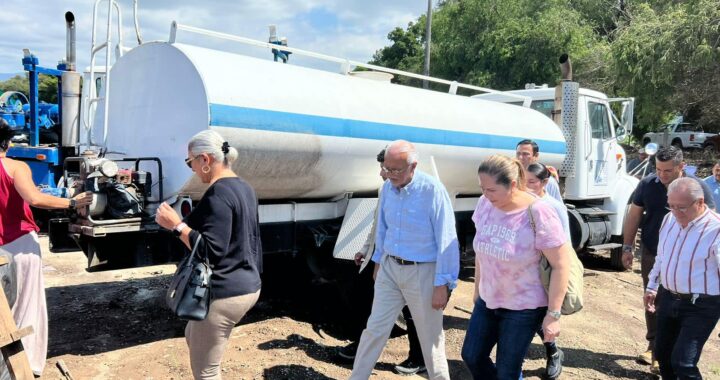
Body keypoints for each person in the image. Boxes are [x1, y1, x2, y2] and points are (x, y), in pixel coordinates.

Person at [155, 130, 262, 380]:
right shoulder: (243, 187)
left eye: (190, 161)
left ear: (205, 159)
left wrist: (177, 225)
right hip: (246, 284)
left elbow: (211, 251)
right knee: (193, 334)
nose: (190, 167)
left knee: (206, 371)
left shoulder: (219, 194)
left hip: (225, 293)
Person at [349, 140, 459, 380]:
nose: (387, 174)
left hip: (422, 272)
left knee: (430, 337)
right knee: (374, 330)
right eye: (386, 169)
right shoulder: (388, 187)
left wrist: (444, 284)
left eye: (395, 170)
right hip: (389, 268)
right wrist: (378, 261)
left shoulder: (433, 190)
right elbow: (383, 228)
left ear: (413, 166)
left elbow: (447, 240)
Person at [461, 155, 571, 380]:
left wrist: (553, 314)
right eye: (482, 188)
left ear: (512, 185)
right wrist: (477, 289)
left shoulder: (538, 212)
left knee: (508, 372)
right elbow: (482, 250)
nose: (485, 195)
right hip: (488, 299)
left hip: (524, 308)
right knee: (472, 356)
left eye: (491, 190)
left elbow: (561, 265)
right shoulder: (486, 204)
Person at [0, 119, 92, 376]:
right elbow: (35, 198)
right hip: (19, 246)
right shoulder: (16, 167)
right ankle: (22, 369)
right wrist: (72, 203)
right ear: (7, 143)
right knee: (24, 311)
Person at [621, 146, 715, 372]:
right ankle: (654, 346)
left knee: (682, 357)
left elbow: (707, 226)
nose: (662, 175)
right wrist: (627, 246)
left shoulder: (697, 190)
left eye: (668, 171)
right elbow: (635, 214)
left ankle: (678, 351)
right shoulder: (648, 187)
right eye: (659, 170)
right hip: (656, 253)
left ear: (682, 167)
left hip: (693, 274)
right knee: (654, 302)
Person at [338, 148, 426, 376]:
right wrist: (366, 249)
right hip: (380, 258)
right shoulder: (385, 189)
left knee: (411, 311)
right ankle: (362, 347)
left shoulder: (420, 192)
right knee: (362, 298)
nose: (381, 173)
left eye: (386, 169)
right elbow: (378, 225)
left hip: (407, 263)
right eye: (382, 168)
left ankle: (419, 357)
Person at [643, 177, 720, 379]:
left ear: (700, 202)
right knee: (663, 355)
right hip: (668, 297)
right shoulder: (669, 219)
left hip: (701, 305)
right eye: (672, 206)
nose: (676, 213)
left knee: (683, 362)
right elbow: (662, 255)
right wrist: (652, 286)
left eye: (682, 208)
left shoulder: (716, 229)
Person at [525, 162, 570, 379]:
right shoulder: (520, 204)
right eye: (523, 182)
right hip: (524, 271)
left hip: (545, 271)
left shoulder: (553, 206)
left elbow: (564, 245)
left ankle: (553, 352)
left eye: (531, 182)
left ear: (544, 183)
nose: (527, 187)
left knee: (541, 314)